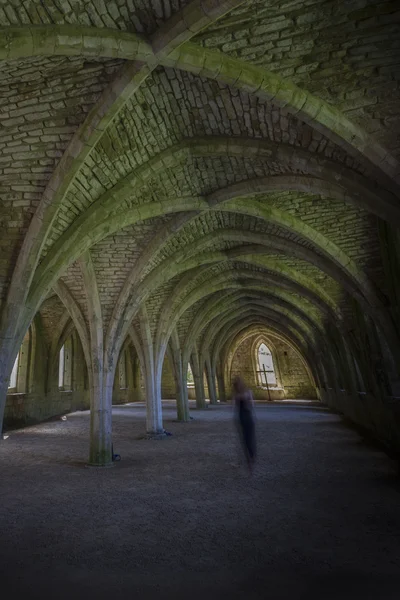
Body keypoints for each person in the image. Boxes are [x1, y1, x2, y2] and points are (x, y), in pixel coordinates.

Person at [232, 375, 256, 473]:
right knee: (247, 438)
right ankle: (250, 457)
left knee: (247, 438)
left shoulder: (241, 393)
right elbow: (251, 404)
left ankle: (250, 457)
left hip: (245, 417)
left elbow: (234, 405)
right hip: (244, 417)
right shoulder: (243, 393)